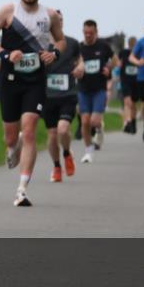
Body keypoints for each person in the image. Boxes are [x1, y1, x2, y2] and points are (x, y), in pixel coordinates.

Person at [0, 0, 65, 207]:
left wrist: (54, 53)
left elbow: (60, 41)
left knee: (29, 131)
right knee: (11, 136)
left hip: (35, 81)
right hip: (10, 80)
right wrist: (5, 53)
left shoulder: (50, 15)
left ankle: (22, 190)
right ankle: (12, 146)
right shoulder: (8, 11)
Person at [42, 11, 82, 182]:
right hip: (47, 96)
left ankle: (66, 153)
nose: (58, 22)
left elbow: (80, 60)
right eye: (54, 20)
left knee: (63, 129)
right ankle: (57, 167)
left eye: (60, 20)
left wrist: (81, 67)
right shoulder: (41, 44)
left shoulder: (72, 43)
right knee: (52, 135)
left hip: (68, 94)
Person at [76, 19, 115, 163]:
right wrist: (77, 71)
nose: (88, 35)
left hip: (99, 89)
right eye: (85, 33)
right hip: (83, 89)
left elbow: (115, 60)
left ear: (96, 32)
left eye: (91, 33)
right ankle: (88, 151)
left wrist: (109, 68)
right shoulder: (79, 48)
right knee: (85, 121)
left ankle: (99, 129)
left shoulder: (103, 46)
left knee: (94, 120)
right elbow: (73, 64)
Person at [118, 36, 140, 134]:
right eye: (131, 44)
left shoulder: (139, 53)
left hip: (136, 82)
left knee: (133, 104)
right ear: (129, 44)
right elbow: (118, 63)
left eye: (134, 44)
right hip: (125, 81)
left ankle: (133, 122)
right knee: (127, 102)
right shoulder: (123, 53)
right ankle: (128, 123)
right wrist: (119, 64)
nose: (133, 46)